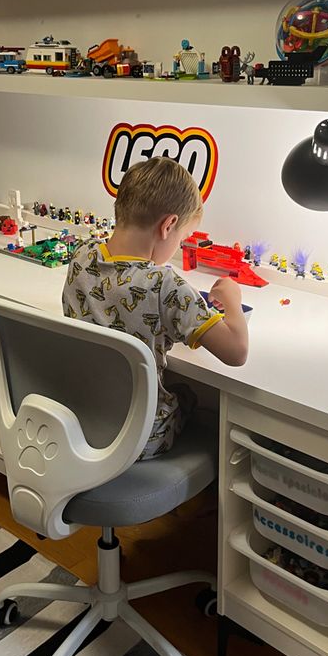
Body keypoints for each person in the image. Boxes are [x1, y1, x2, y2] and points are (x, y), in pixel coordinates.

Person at [62, 157, 248, 460]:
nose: (178, 247)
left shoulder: (82, 256)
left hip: (82, 421)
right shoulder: (165, 284)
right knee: (189, 396)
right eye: (182, 239)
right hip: (139, 439)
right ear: (168, 225)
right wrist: (233, 301)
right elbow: (236, 352)